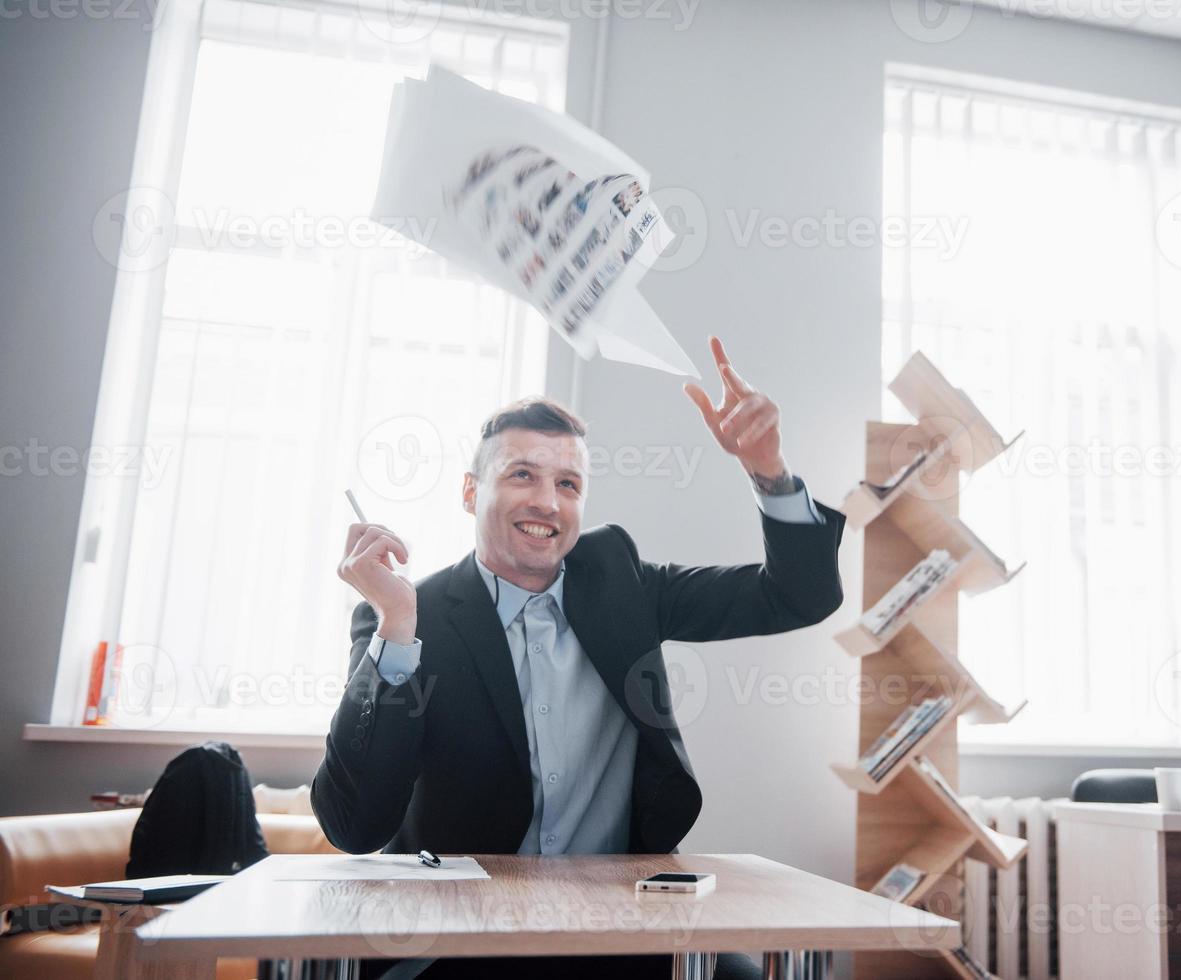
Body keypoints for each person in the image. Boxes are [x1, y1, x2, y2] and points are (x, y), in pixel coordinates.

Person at [312, 336, 845, 979]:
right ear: (468, 491)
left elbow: (795, 596)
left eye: (568, 483)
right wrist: (397, 628)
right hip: (468, 934)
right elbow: (353, 826)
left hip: (623, 922)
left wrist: (769, 470)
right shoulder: (405, 614)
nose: (547, 502)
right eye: (522, 475)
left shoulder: (621, 582)